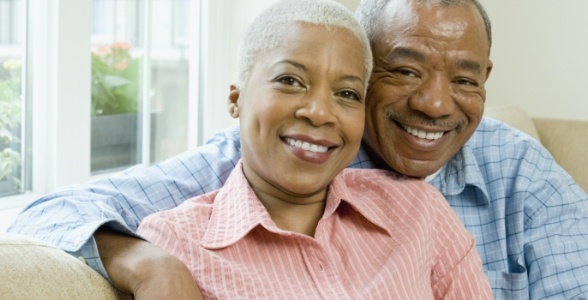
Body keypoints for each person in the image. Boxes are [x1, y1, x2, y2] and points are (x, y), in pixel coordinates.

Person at [8, 0, 588, 299]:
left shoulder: (507, 174)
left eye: (463, 80)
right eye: (405, 70)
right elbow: (42, 214)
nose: (436, 104)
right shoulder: (224, 183)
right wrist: (145, 259)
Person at [136, 1, 492, 298]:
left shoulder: (419, 209)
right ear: (237, 99)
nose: (320, 112)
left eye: (347, 94)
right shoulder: (176, 243)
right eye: (289, 81)